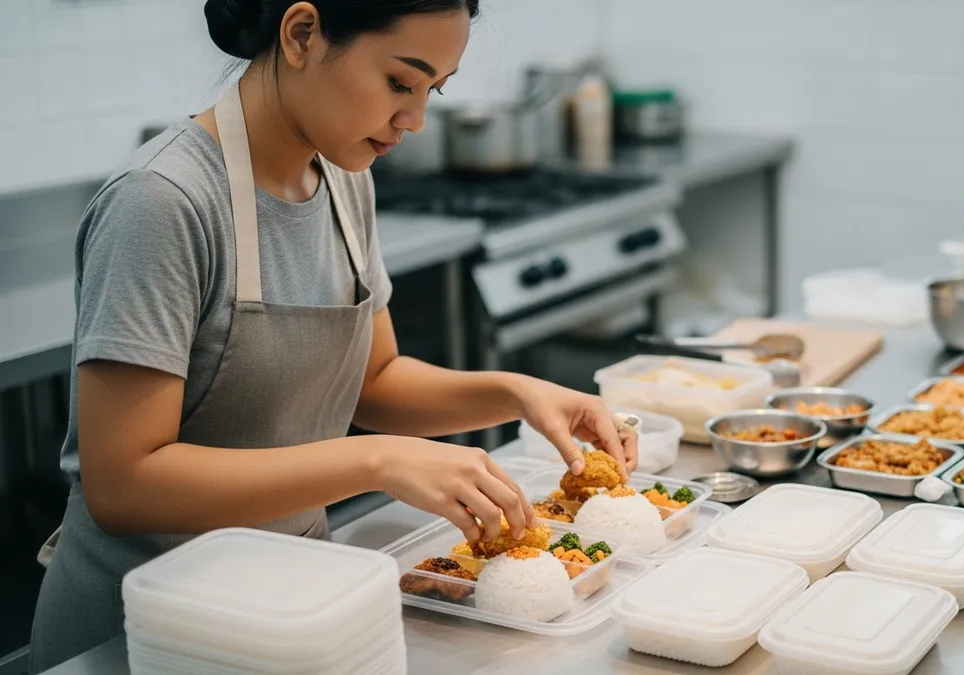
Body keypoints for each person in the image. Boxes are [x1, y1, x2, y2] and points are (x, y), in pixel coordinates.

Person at [28, 1, 637, 670]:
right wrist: (376, 461)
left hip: (290, 603)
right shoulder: (162, 202)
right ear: (301, 34)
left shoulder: (345, 182)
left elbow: (373, 381)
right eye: (400, 83)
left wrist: (519, 392)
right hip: (144, 633)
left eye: (432, 90)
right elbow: (124, 485)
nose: (415, 120)